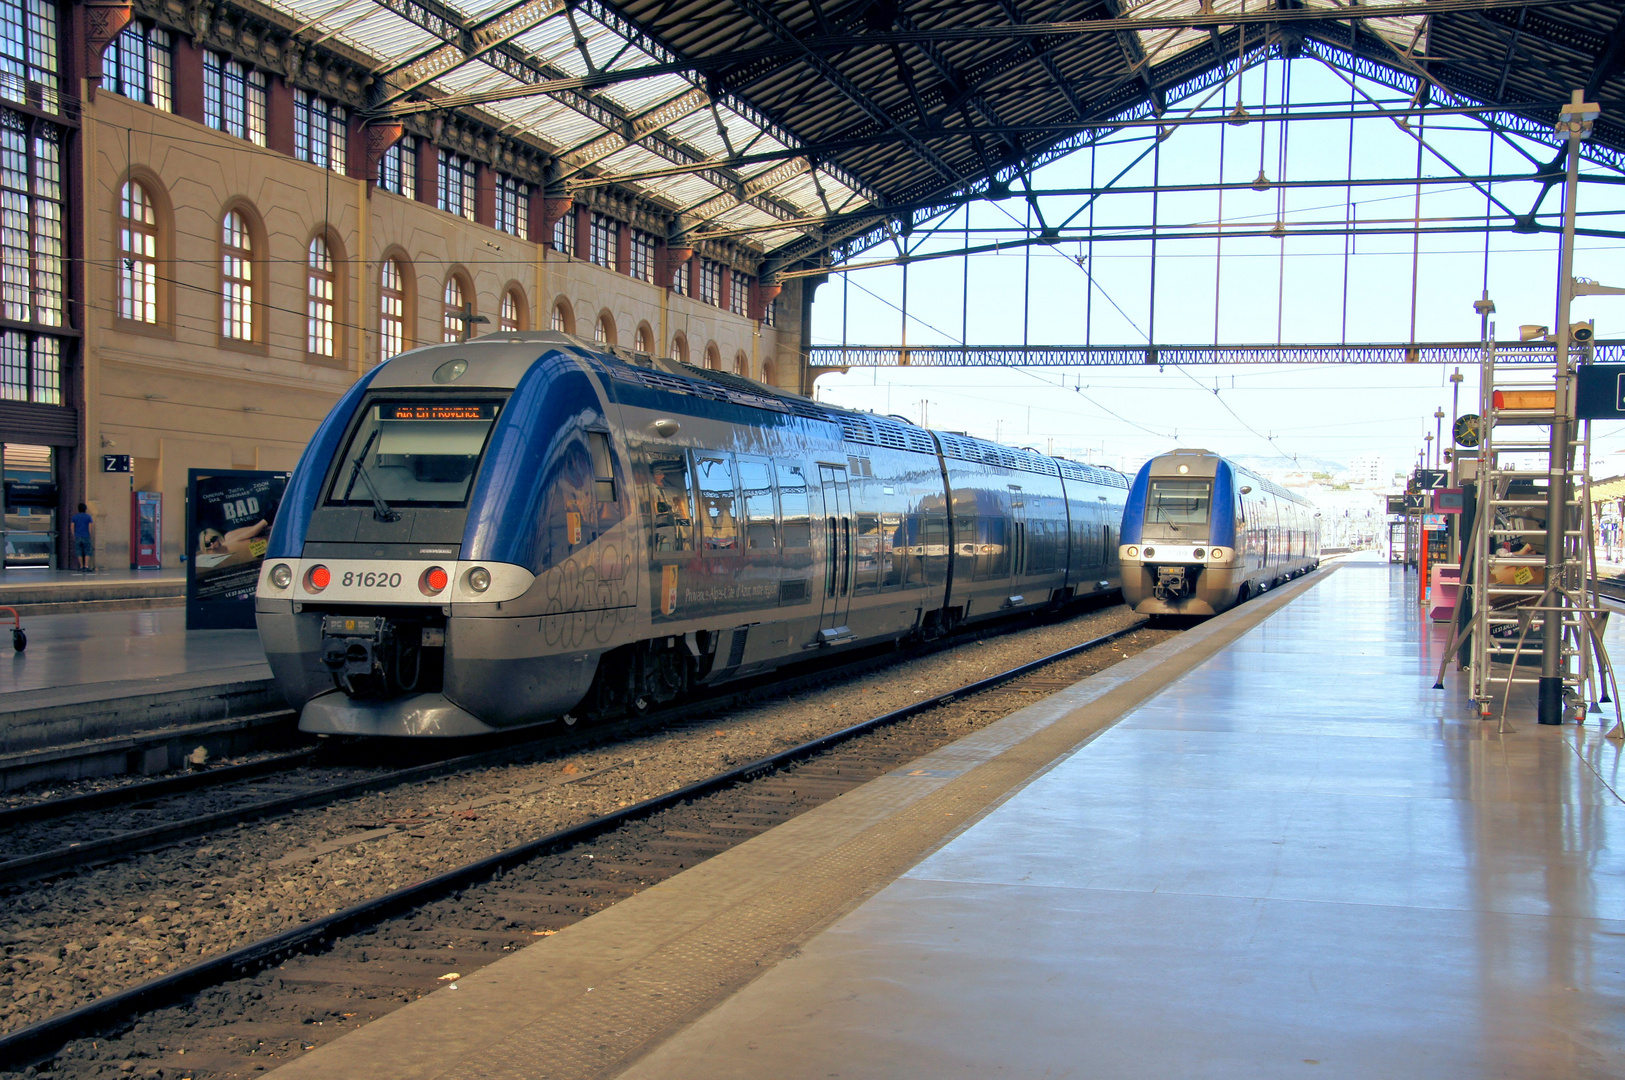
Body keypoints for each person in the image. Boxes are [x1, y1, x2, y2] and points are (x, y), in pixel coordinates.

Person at [69, 502, 94, 572]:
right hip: (86, 535)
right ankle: (86, 566)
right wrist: (89, 535)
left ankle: (81, 566)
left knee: (78, 551)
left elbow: (72, 527)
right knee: (87, 551)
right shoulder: (88, 517)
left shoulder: (75, 517)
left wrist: (74, 535)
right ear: (85, 509)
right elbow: (90, 527)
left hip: (78, 536)